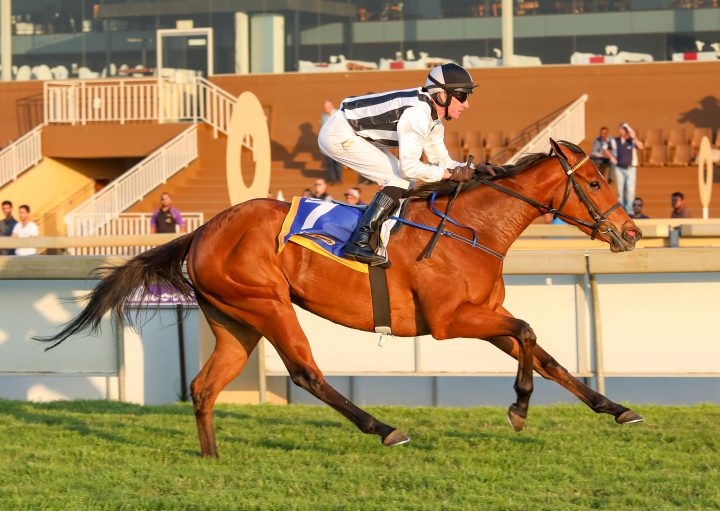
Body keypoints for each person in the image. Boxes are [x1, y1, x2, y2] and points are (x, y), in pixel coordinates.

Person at [318, 63, 498, 266]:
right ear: (442, 96)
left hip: (356, 132)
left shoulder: (434, 121)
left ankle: (379, 236)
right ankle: (359, 241)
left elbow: (443, 162)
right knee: (398, 178)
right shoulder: (417, 115)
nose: (466, 105)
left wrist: (472, 169)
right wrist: (449, 174)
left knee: (406, 182)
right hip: (339, 133)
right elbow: (411, 168)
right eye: (462, 96)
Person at [614, 122, 644, 213]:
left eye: (624, 129)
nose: (622, 131)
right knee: (620, 191)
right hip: (619, 168)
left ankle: (630, 211)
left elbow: (641, 147)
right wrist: (612, 157)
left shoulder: (632, 141)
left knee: (630, 191)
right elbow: (606, 149)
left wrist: (633, 136)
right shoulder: (616, 140)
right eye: (621, 129)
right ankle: (621, 210)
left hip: (630, 168)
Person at [321, 100, 344, 184]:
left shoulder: (338, 114)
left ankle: (339, 179)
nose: (325, 108)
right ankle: (332, 179)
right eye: (324, 107)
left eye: (327, 106)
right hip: (327, 142)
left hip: (336, 142)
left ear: (331, 106)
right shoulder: (324, 115)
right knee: (329, 162)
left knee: (337, 162)